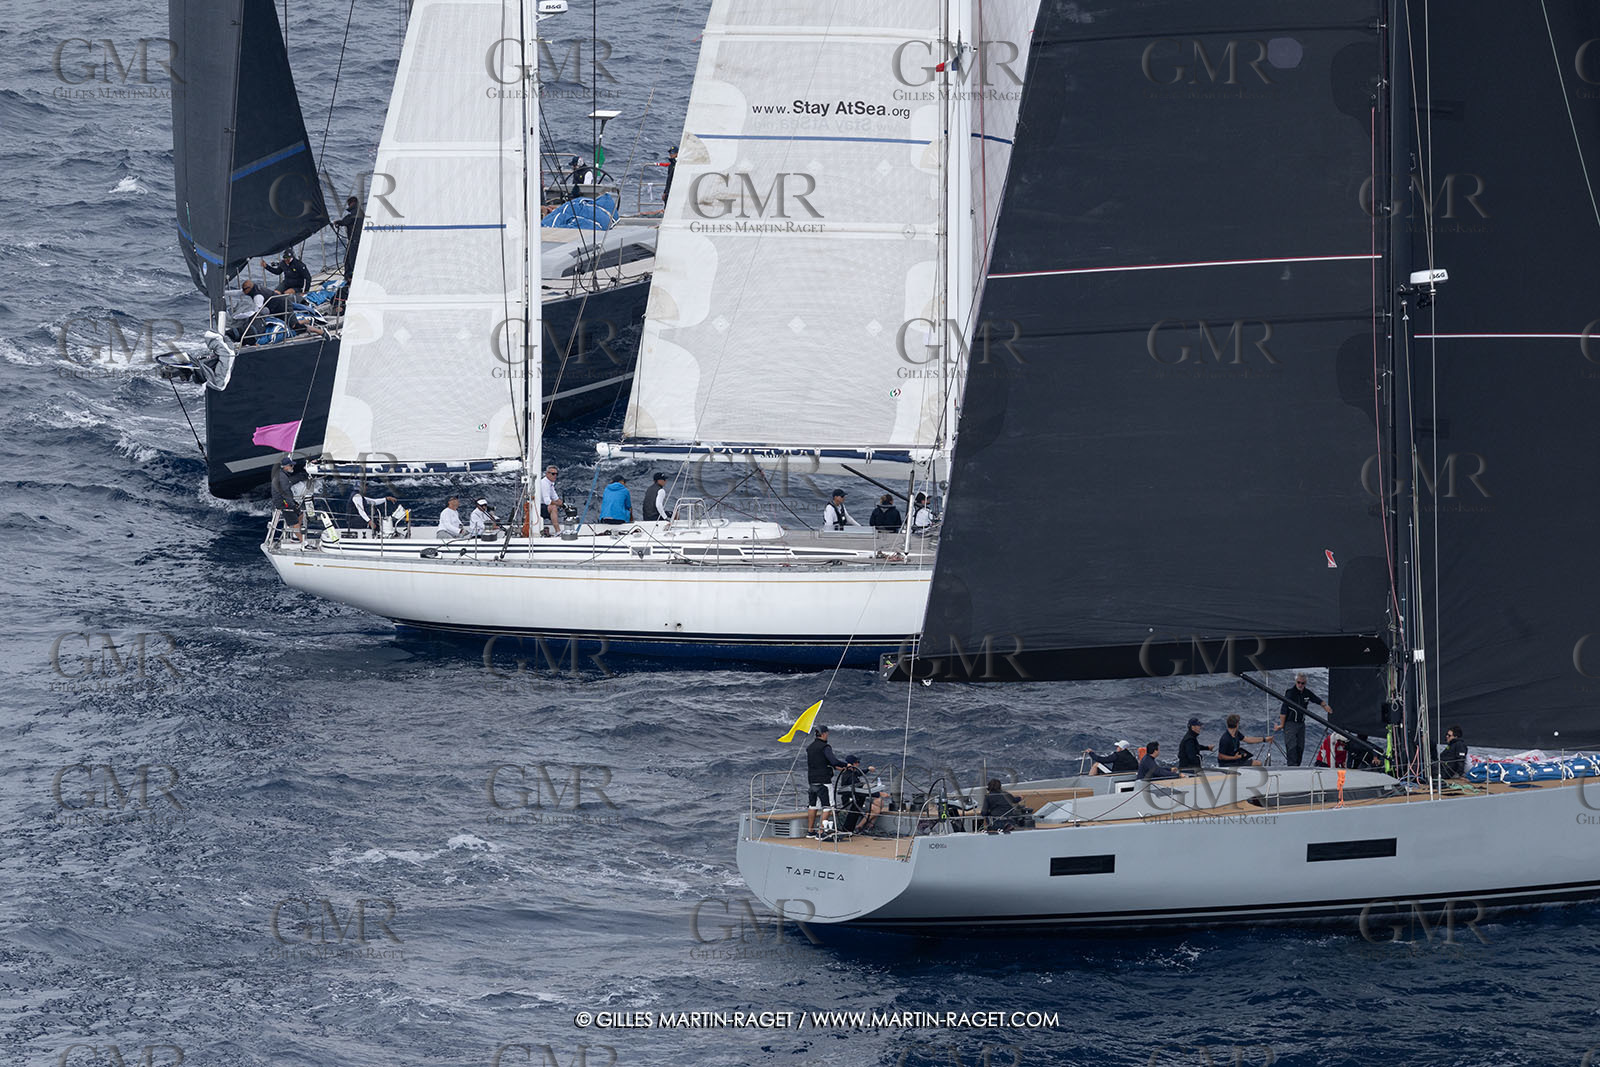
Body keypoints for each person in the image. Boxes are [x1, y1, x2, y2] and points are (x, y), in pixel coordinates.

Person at [1277, 673, 1330, 767]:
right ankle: (1292, 768)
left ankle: (1297, 767)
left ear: (1305, 683)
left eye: (1303, 683)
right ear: (1296, 682)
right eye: (1299, 682)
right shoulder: (1290, 693)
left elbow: (1316, 699)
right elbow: (1283, 709)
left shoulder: (1307, 693)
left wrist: (1325, 706)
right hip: (1290, 724)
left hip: (1301, 725)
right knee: (1292, 749)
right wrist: (1281, 725)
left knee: (1300, 749)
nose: (1300, 685)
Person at [805, 725, 847, 835]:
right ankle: (821, 832)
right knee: (828, 806)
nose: (827, 736)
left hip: (812, 781)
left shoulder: (810, 747)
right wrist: (846, 765)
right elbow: (833, 761)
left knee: (813, 806)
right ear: (823, 734)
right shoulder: (825, 747)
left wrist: (834, 766)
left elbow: (820, 761)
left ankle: (810, 831)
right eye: (827, 734)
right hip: (824, 781)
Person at [836, 754, 878, 833]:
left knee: (879, 802)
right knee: (875, 809)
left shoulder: (852, 772)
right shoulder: (849, 776)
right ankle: (859, 827)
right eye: (858, 762)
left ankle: (867, 827)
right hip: (851, 802)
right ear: (854, 764)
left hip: (857, 800)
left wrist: (868, 769)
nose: (859, 764)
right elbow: (856, 790)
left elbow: (859, 773)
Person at [271, 456, 302, 540]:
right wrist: (292, 505)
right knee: (294, 520)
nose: (293, 467)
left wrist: (294, 503)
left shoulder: (282, 475)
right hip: (283, 502)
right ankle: (301, 541)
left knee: (300, 513)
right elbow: (285, 493)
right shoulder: (282, 477)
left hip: (286, 500)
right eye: (291, 465)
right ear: (285, 467)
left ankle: (295, 532)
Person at [332, 196, 363, 278]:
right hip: (358, 241)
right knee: (349, 260)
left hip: (355, 241)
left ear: (351, 203)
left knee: (351, 260)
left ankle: (353, 278)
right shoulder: (361, 212)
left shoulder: (355, 213)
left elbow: (347, 220)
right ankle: (349, 277)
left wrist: (339, 222)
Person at [537, 464, 562, 535]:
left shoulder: (550, 483)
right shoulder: (544, 483)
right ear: (547, 474)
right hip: (537, 507)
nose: (555, 476)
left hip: (543, 506)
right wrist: (557, 504)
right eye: (553, 474)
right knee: (553, 507)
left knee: (557, 506)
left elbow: (555, 498)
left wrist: (563, 505)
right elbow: (547, 501)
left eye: (556, 474)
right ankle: (558, 531)